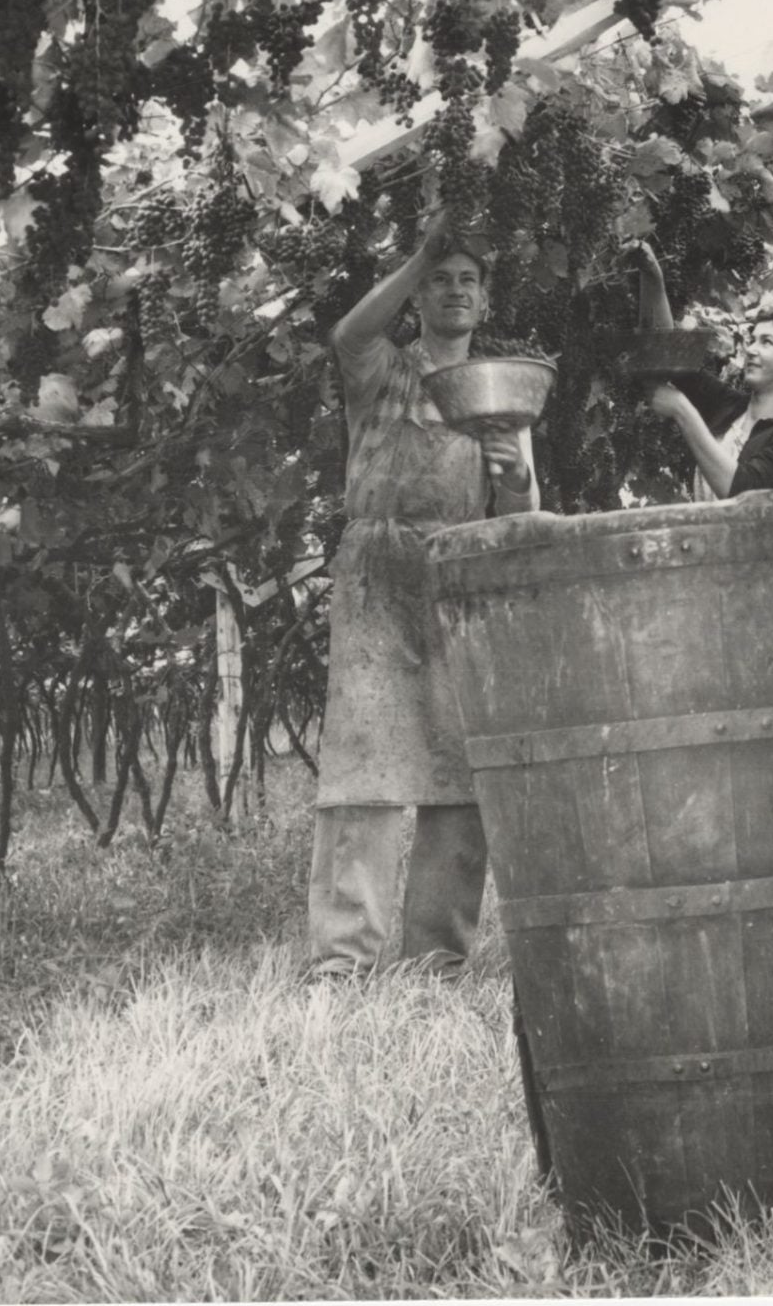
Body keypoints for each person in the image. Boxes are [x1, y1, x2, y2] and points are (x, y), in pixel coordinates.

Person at [307, 213, 539, 979]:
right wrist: (417, 256)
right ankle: (343, 962)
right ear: (419, 295)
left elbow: (523, 510)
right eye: (440, 280)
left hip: (457, 579)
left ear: (485, 298)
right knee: (361, 768)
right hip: (376, 574)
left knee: (460, 771)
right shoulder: (383, 367)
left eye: (467, 280)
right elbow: (347, 333)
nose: (454, 290)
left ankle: (436, 961)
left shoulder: (502, 390)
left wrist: (514, 474)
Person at [628, 242, 773, 497]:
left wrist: (682, 410)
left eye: (766, 342)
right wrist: (652, 277)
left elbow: (743, 496)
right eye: (752, 340)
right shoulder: (732, 407)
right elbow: (665, 352)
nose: (751, 349)